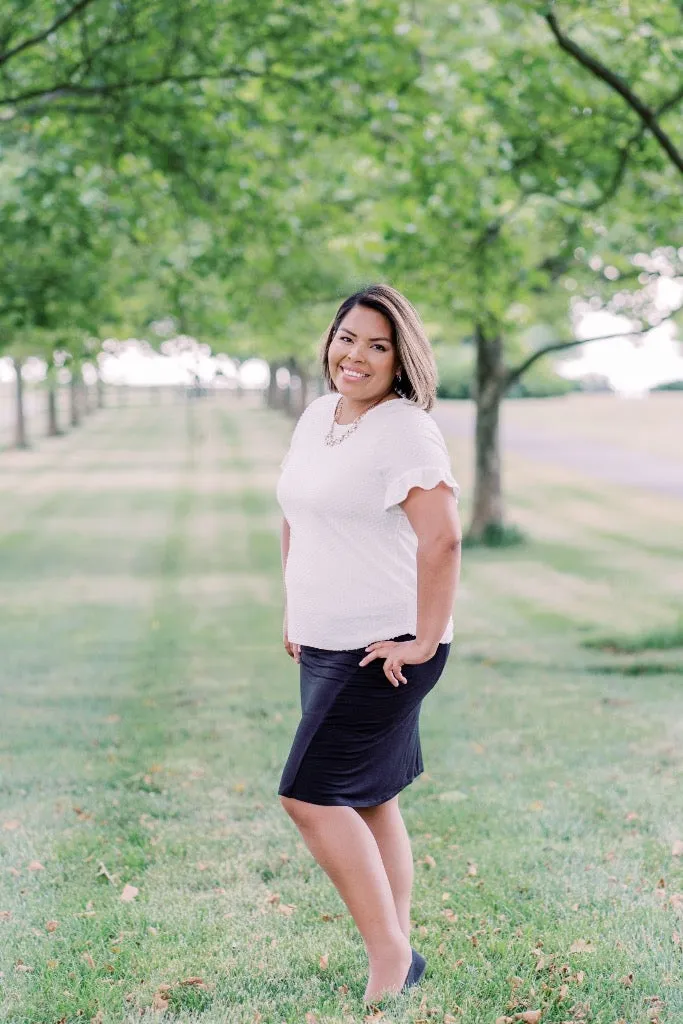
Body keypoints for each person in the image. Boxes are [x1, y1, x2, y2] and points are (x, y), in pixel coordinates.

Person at [276, 284, 461, 1004]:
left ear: (400, 358)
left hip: (380, 649)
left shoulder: (405, 430)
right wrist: (292, 607)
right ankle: (399, 939)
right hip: (324, 641)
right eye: (347, 337)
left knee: (309, 796)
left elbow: (441, 538)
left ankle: (390, 956)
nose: (355, 355)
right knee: (371, 797)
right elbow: (297, 513)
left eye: (377, 345)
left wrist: (422, 639)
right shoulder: (318, 415)